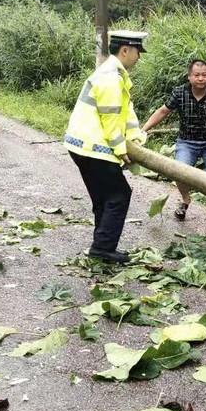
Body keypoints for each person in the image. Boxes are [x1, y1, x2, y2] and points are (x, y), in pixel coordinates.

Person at [63, 30, 148, 264]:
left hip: (81, 146)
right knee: (119, 195)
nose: (138, 57)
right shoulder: (111, 77)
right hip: (93, 147)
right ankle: (102, 248)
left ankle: (101, 244)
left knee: (103, 197)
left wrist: (135, 137)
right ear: (125, 50)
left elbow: (126, 113)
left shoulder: (115, 74)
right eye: (137, 52)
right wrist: (121, 149)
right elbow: (110, 118)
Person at [141, 59, 206, 228]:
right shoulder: (180, 92)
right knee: (179, 173)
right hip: (187, 142)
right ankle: (186, 200)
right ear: (189, 77)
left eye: (204, 75)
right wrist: (144, 129)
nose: (201, 78)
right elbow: (163, 111)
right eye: (197, 75)